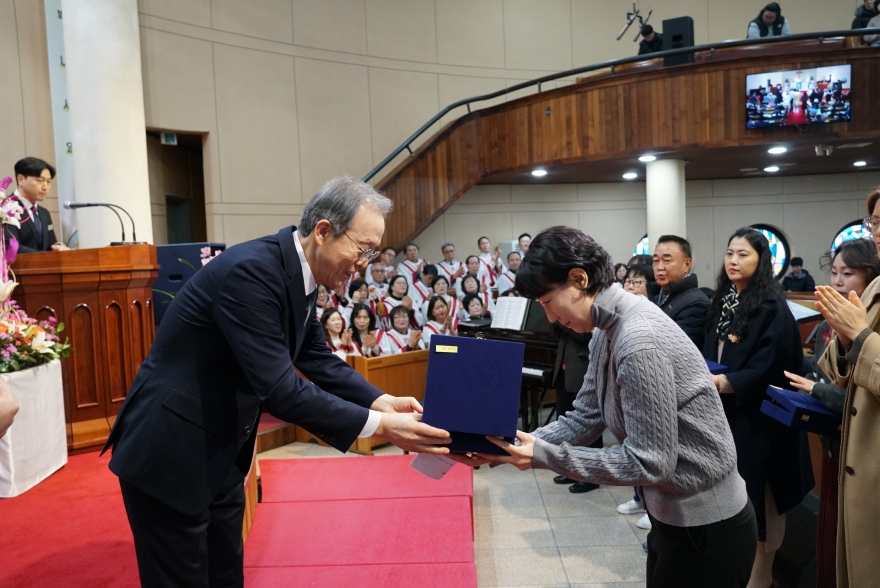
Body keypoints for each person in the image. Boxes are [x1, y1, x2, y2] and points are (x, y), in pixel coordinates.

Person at [102, 176, 451, 587]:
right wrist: (381, 428)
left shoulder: (298, 273)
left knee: (225, 576)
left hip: (220, 452)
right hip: (172, 453)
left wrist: (381, 400)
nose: (365, 264)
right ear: (323, 231)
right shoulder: (251, 272)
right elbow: (281, 388)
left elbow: (315, 356)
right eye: (362, 249)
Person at [457, 226, 757, 588]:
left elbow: (650, 462)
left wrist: (544, 455)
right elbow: (586, 416)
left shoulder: (637, 339)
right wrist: (506, 444)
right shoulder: (605, 329)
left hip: (709, 524)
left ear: (578, 279)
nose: (550, 317)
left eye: (548, 302)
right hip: (674, 518)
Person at [702, 227, 813, 588]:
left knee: (762, 497)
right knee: (735, 496)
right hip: (729, 413)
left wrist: (728, 382)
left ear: (761, 260)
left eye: (743, 254)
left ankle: (762, 578)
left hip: (762, 417)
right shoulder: (724, 298)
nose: (733, 260)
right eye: (730, 253)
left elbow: (774, 364)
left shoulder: (771, 304)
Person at [783, 238, 880, 588]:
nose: (837, 281)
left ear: (871, 279)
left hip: (865, 450)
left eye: (848, 273)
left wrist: (817, 389)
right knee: (831, 541)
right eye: (834, 272)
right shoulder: (837, 316)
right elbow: (828, 370)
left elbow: (857, 397)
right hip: (835, 444)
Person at [815, 187, 880, 588]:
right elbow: (842, 372)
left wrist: (860, 336)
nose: (879, 232)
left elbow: (865, 344)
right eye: (876, 222)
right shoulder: (874, 289)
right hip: (859, 454)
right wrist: (844, 336)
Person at [548, 323, 604, 496]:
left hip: (581, 368)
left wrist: (562, 321)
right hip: (565, 369)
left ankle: (590, 476)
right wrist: (555, 322)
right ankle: (571, 470)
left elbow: (585, 335)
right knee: (565, 419)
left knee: (586, 423)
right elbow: (556, 334)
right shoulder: (564, 318)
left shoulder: (582, 313)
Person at [651, 235, 710, 350]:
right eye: (656, 261)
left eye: (667, 261)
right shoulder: (656, 295)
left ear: (687, 264)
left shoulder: (696, 303)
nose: (659, 267)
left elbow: (679, 350)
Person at [4, 157, 70, 253]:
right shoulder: (5, 209)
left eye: (48, 182)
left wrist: (58, 247)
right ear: (21, 179)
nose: (45, 187)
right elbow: (9, 246)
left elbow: (50, 244)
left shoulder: (44, 213)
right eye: (39, 180)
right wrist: (45, 257)